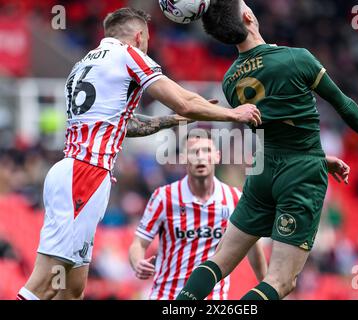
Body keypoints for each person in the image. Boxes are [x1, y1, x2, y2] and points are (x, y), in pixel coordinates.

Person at [16, 7, 261, 301]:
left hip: (71, 171)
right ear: (139, 36)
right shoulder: (128, 55)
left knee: (72, 286)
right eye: (146, 40)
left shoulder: (82, 65)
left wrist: (170, 121)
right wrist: (233, 114)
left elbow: (123, 124)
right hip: (85, 175)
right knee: (44, 281)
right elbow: (184, 101)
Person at [176, 0, 358, 300]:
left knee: (218, 262)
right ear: (248, 17)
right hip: (300, 175)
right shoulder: (296, 58)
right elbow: (344, 105)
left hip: (263, 174)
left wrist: (319, 159)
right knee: (280, 281)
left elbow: (273, 130)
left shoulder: (230, 81)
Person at [129, 130, 268, 300]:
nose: (201, 157)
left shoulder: (234, 198)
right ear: (182, 158)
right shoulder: (164, 197)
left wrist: (267, 288)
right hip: (167, 296)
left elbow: (253, 248)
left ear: (217, 156)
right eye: (194, 152)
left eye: (207, 151)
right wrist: (137, 263)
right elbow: (138, 243)